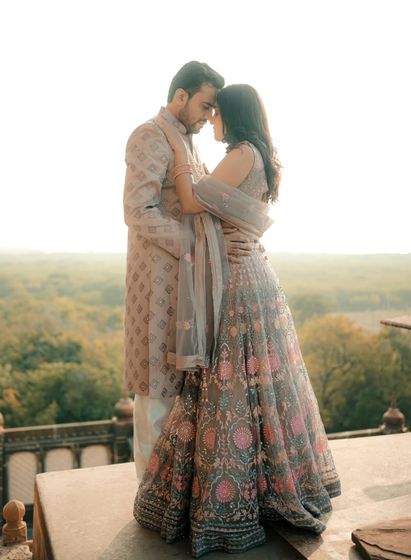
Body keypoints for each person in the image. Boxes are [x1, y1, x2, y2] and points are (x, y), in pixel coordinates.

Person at [133, 84, 341, 557]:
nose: (213, 121)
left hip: (241, 281)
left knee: (228, 384)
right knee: (254, 386)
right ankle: (261, 489)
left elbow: (192, 201)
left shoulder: (243, 152)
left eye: (217, 112)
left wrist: (180, 156)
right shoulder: (258, 154)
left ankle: (232, 500)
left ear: (233, 114)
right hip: (251, 272)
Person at [123, 61, 227, 483]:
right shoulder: (150, 134)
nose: (207, 117)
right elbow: (137, 210)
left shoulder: (185, 141)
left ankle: (170, 497)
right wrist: (193, 246)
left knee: (180, 390)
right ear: (180, 96)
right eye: (204, 106)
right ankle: (148, 500)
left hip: (186, 284)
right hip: (158, 282)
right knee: (156, 393)